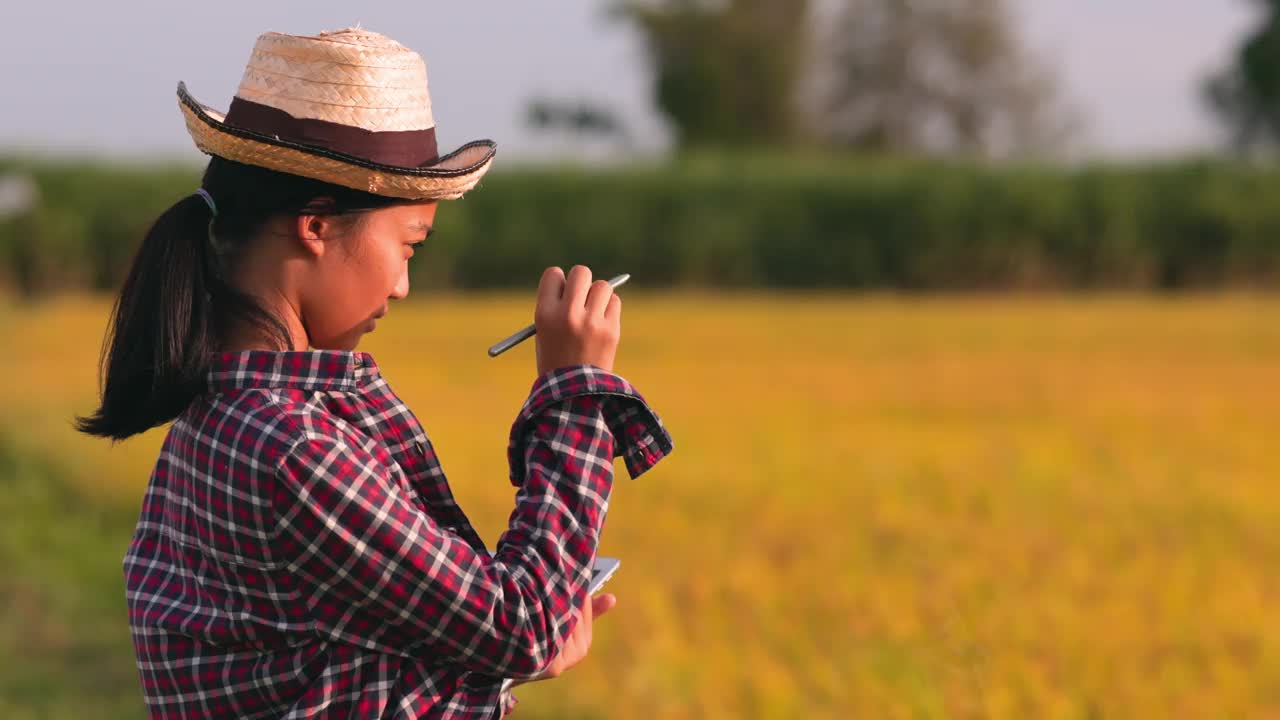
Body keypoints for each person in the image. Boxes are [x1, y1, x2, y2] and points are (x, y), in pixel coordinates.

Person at [74, 27, 674, 719]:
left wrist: (505, 654)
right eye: (408, 245)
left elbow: (334, 668)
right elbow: (522, 627)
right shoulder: (294, 446)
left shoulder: (225, 417)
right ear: (317, 224)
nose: (403, 286)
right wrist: (573, 395)